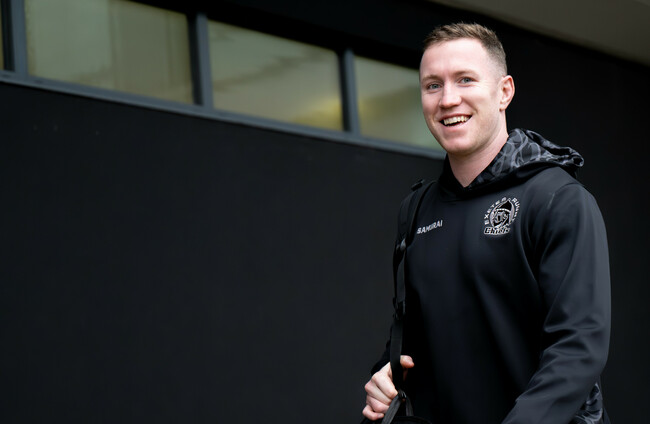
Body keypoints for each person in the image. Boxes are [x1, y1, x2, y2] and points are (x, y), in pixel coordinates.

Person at [362, 23, 611, 423]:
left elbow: (577, 351)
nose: (448, 99)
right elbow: (413, 341)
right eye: (432, 85)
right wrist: (385, 377)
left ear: (504, 92)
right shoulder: (416, 210)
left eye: (465, 80)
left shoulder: (556, 199)